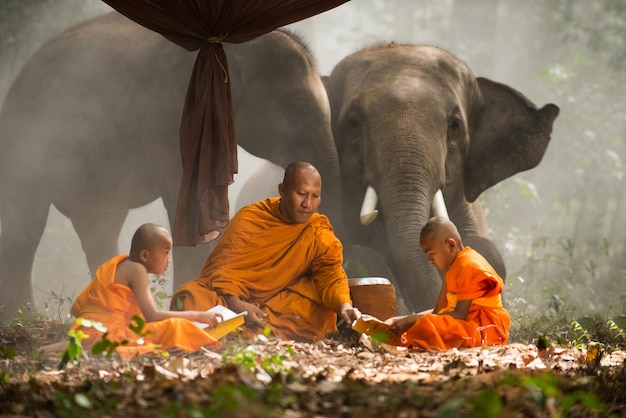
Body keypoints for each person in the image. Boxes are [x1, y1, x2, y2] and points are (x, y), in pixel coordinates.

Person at [171, 161, 361, 341]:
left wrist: (344, 305)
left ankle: (240, 332)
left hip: (278, 304)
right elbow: (221, 272)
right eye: (302, 194)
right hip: (232, 300)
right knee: (190, 297)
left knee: (314, 309)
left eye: (315, 196)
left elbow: (330, 272)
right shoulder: (252, 218)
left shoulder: (316, 229)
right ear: (282, 190)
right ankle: (242, 331)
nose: (308, 204)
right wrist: (238, 305)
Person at [69, 223, 223, 359]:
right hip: (108, 331)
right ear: (145, 255)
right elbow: (152, 316)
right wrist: (196, 315)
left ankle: (73, 346)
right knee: (174, 326)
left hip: (93, 328)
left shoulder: (126, 265)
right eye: (166, 252)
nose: (169, 259)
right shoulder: (137, 270)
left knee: (166, 327)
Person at [386, 216, 510, 351]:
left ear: (451, 245)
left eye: (432, 254)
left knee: (427, 326)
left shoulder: (469, 266)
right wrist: (401, 320)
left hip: (485, 330)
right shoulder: (451, 268)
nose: (429, 260)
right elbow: (437, 311)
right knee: (423, 324)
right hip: (465, 324)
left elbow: (459, 315)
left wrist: (412, 321)